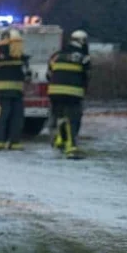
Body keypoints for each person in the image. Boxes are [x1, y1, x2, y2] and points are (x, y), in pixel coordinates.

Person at [47, 30, 90, 159]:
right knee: (73, 119)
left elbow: (49, 74)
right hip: (73, 93)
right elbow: (86, 77)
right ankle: (71, 146)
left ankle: (60, 140)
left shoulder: (56, 55)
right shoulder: (84, 57)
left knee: (60, 117)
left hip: (54, 92)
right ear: (82, 41)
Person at [0, 28, 29, 152]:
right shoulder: (21, 56)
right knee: (16, 117)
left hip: (1, 91)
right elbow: (27, 74)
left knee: (2, 117)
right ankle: (14, 142)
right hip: (17, 90)